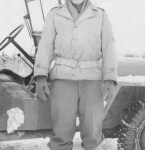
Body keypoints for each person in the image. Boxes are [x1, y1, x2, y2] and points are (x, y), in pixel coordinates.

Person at [34, 0, 118, 149]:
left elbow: (109, 47)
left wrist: (110, 79)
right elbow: (45, 46)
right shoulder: (55, 14)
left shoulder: (100, 15)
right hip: (63, 79)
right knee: (61, 132)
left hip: (92, 80)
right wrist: (41, 76)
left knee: (93, 133)